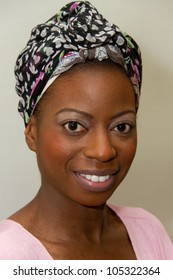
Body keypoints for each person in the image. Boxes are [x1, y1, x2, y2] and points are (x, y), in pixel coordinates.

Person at [0, 1, 172, 260]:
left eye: (121, 126)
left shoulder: (148, 231)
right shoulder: (9, 256)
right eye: (74, 126)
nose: (103, 151)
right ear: (32, 131)